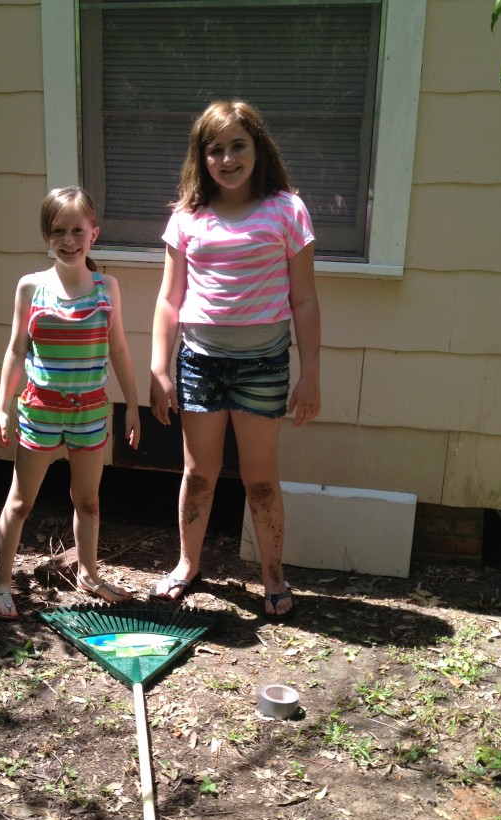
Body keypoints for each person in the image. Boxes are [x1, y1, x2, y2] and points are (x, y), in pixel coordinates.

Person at [149, 99, 321, 620]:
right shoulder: (187, 216)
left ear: (258, 147)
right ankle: (187, 564)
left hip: (263, 367)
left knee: (260, 478)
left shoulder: (287, 210)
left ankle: (273, 576)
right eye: (214, 149)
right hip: (199, 363)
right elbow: (168, 298)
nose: (226, 159)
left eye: (237, 146)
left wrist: (310, 372)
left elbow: (305, 300)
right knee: (198, 473)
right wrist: (159, 367)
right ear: (201, 158)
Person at [0, 187, 140, 619]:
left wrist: (132, 404)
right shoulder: (30, 288)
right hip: (39, 410)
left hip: (92, 412)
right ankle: (0, 583)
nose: (69, 240)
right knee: (21, 502)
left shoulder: (107, 287)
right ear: (46, 237)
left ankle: (88, 573)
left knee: (87, 501)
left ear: (94, 232)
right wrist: (3, 406)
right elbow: (16, 350)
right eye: (59, 231)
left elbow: (121, 351)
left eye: (78, 230)